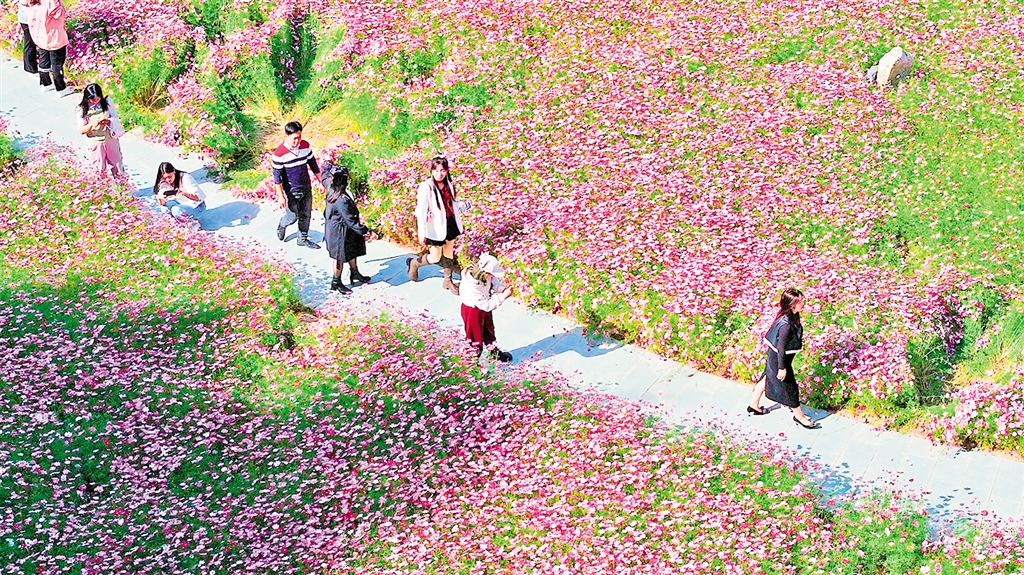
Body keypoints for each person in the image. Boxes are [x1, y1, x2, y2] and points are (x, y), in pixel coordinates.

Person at [748, 288, 818, 429]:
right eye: (800, 301)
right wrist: (782, 368)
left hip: (775, 356)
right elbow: (781, 348)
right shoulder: (785, 325)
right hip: (780, 359)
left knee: (767, 377)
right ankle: (799, 416)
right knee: (790, 387)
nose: (803, 303)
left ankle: (753, 405)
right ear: (792, 305)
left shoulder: (789, 316)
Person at [407, 156, 468, 295]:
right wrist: (421, 232)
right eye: (436, 170)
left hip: (450, 222)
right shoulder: (426, 186)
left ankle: (448, 280)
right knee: (435, 256)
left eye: (442, 170)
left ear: (446, 171)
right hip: (435, 226)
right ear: (431, 170)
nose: (439, 174)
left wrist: (461, 204)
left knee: (449, 251)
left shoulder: (448, 184)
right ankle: (414, 263)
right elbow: (421, 210)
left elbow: (451, 202)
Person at [272, 121, 322, 249]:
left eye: (299, 137)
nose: (297, 141)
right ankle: (282, 224)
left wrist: (321, 181)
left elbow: (313, 165)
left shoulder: (305, 146)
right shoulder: (279, 154)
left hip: (306, 186)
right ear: (287, 135)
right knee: (292, 217)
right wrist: (280, 196)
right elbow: (277, 177)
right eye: (295, 138)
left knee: (306, 214)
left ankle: (302, 238)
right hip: (292, 190)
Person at [322, 164, 370, 295]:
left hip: (341, 230)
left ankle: (355, 273)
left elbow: (324, 176)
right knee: (339, 258)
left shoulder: (330, 187)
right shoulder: (341, 200)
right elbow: (351, 221)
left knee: (351, 251)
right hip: (339, 233)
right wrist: (366, 230)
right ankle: (336, 281)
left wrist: (328, 165)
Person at [460, 253, 513, 362]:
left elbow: (493, 282)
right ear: (485, 273)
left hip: (483, 304)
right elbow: (487, 305)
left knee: (489, 330)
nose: (492, 276)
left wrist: (501, 289)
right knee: (474, 338)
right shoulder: (473, 287)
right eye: (491, 274)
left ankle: (494, 352)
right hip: (472, 310)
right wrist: (503, 296)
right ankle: (471, 362)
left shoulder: (483, 275)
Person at [76, 84, 125, 177]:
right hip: (95, 142)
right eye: (91, 99)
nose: (93, 102)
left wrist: (108, 121)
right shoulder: (81, 109)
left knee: (118, 167)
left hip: (110, 139)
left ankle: (122, 185)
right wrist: (91, 124)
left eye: (96, 99)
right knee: (98, 171)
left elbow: (114, 117)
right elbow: (81, 130)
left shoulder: (107, 102)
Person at [22, 0, 69, 96]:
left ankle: (45, 84)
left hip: (39, 35)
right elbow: (60, 15)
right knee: (57, 63)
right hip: (53, 35)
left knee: (43, 59)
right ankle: (61, 88)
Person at [15, 0, 38, 75]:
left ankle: (30, 67)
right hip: (28, 19)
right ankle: (30, 68)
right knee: (30, 43)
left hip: (25, 19)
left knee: (29, 42)